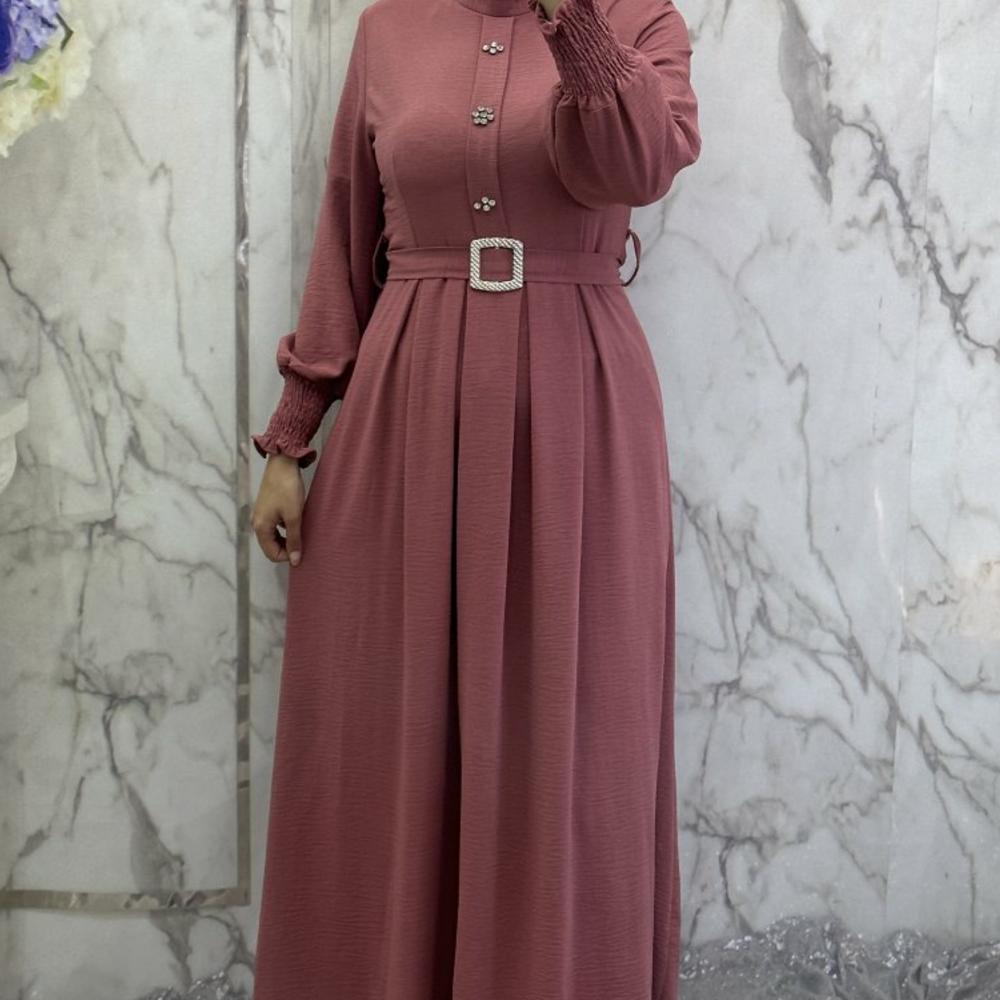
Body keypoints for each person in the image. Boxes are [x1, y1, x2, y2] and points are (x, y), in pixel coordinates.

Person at [249, 0, 701, 996]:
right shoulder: (389, 28)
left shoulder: (639, 20)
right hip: (406, 411)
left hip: (577, 417)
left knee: (574, 737)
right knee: (381, 730)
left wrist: (573, 23)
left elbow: (639, 165)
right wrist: (293, 431)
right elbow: (345, 230)